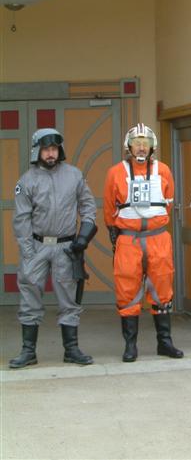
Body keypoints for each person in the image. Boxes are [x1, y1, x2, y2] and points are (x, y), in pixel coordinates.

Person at [10, 128, 97, 368]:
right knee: (29, 296)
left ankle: (71, 349)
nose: (51, 154)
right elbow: (21, 219)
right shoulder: (27, 181)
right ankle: (28, 351)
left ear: (60, 150)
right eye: (46, 149)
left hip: (67, 247)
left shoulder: (74, 175)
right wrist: (28, 251)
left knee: (69, 298)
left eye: (54, 149)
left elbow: (88, 206)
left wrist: (83, 237)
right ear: (37, 151)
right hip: (36, 246)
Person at [104, 123, 183, 362]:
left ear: (152, 147)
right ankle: (130, 346)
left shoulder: (164, 170)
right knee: (127, 289)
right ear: (128, 147)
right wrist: (118, 235)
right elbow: (109, 209)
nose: (141, 147)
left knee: (162, 288)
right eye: (136, 143)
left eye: (145, 143)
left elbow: (168, 201)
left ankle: (165, 343)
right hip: (129, 240)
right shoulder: (115, 173)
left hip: (159, 237)